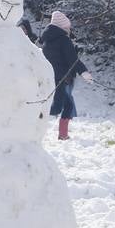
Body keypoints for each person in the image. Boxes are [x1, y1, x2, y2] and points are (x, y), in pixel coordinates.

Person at [40, 10, 91, 140]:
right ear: (62, 27)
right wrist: (83, 72)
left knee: (62, 104)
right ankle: (62, 134)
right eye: (68, 27)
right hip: (63, 77)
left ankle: (62, 134)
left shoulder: (46, 40)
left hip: (50, 76)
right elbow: (72, 60)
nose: (69, 29)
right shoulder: (64, 40)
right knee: (61, 106)